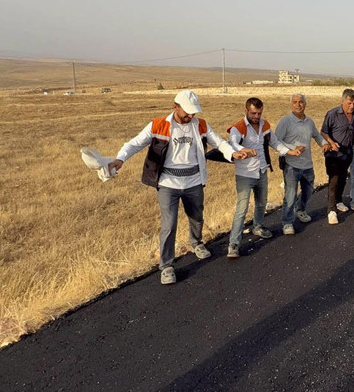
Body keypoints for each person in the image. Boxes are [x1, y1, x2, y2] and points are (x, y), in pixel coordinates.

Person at [108, 90, 248, 284]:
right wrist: (120, 158)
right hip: (168, 184)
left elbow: (220, 142)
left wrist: (232, 154)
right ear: (175, 106)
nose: (190, 116)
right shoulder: (159, 125)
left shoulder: (200, 125)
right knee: (169, 224)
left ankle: (196, 243)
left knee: (197, 216)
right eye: (187, 112)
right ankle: (166, 266)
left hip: (193, 182)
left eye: (193, 112)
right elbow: (134, 144)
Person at [226, 97, 302, 258]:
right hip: (245, 173)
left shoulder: (264, 125)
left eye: (259, 113)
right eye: (253, 113)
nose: (256, 116)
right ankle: (234, 243)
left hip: (261, 171)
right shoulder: (238, 128)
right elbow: (232, 144)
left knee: (261, 203)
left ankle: (258, 226)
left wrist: (290, 151)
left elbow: (275, 143)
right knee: (242, 208)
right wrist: (245, 149)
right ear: (245, 111)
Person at [273, 93, 331, 236]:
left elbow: (317, 135)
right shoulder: (285, 121)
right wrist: (292, 148)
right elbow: (275, 141)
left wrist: (324, 143)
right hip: (291, 164)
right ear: (291, 104)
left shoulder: (309, 122)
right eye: (295, 102)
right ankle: (287, 222)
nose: (298, 105)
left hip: (307, 164)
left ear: (305, 104)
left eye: (301, 102)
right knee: (290, 194)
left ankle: (300, 209)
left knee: (308, 190)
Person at [321, 89, 354, 225]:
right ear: (343, 101)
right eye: (349, 103)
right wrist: (331, 143)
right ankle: (331, 211)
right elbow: (324, 131)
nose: (352, 106)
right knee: (334, 180)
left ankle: (338, 201)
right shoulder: (332, 114)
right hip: (334, 154)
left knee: (343, 178)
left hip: (348, 152)